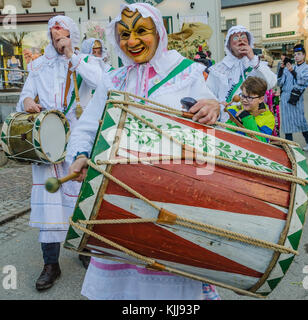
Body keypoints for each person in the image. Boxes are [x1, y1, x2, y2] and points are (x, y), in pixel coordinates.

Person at [67, 2, 222, 300]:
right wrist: (80, 155)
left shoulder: (188, 72)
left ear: (159, 33)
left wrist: (215, 106)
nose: (132, 41)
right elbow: (86, 127)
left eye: (141, 31)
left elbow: (214, 122)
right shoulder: (113, 80)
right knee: (124, 289)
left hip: (174, 198)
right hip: (119, 199)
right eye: (124, 34)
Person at [16, 15, 103, 291]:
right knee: (49, 202)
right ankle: (50, 264)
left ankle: (86, 252)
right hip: (48, 141)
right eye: (54, 38)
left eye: (63, 37)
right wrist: (28, 101)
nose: (58, 41)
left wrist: (71, 56)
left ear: (73, 37)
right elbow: (25, 96)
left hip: (79, 142)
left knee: (83, 199)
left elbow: (103, 84)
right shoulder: (38, 66)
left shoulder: (87, 63)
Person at [206, 25, 277, 123]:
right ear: (229, 45)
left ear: (248, 41)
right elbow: (209, 95)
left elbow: (271, 83)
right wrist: (218, 104)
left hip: (253, 121)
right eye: (235, 37)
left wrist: (252, 58)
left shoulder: (255, 64)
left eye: (243, 36)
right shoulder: (218, 69)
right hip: (227, 121)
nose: (240, 40)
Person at [277, 44, 308, 151]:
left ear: (304, 55)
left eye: (299, 54)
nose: (296, 56)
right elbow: (280, 82)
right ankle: (289, 145)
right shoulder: (290, 67)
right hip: (285, 97)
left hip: (296, 97)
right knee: (286, 121)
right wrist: (281, 69)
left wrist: (292, 71)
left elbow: (303, 81)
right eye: (295, 54)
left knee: (300, 120)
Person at [225, 76, 275, 143]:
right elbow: (222, 134)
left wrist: (246, 118)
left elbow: (261, 143)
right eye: (243, 96)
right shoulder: (233, 110)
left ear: (261, 99)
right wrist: (236, 121)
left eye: (249, 98)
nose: (244, 100)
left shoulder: (268, 118)